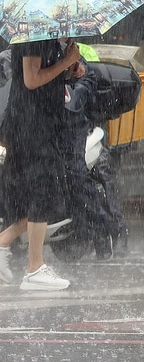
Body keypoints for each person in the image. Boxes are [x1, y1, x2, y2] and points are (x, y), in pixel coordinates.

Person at [0, 37, 82, 291]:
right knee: (42, 193)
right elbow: (31, 79)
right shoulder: (33, 35)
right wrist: (65, 62)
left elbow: (47, 76)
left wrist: (71, 67)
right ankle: (34, 268)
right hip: (29, 127)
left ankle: (4, 243)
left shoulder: (50, 36)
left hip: (42, 125)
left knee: (46, 196)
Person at [59, 48, 129, 261]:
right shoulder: (31, 54)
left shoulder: (79, 55)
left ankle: (113, 232)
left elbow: (85, 89)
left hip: (81, 131)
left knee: (94, 177)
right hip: (47, 133)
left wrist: (71, 72)